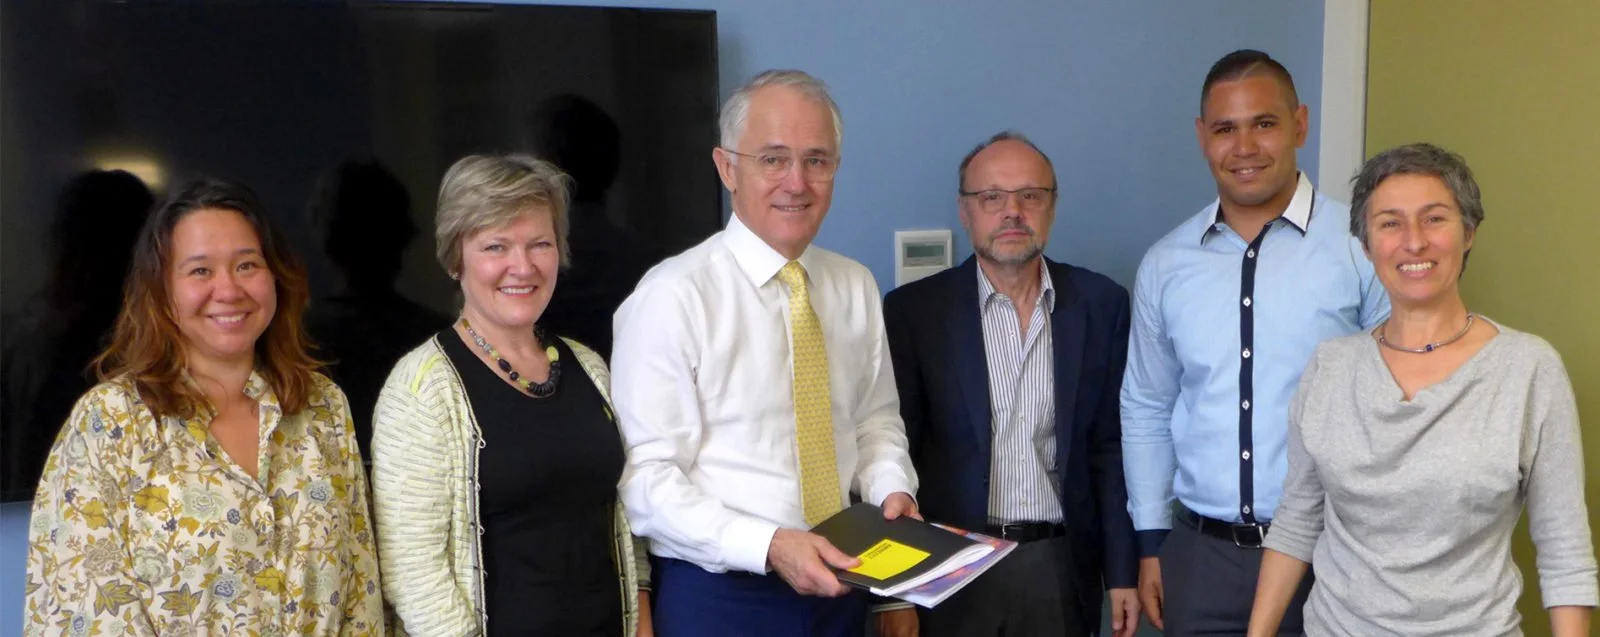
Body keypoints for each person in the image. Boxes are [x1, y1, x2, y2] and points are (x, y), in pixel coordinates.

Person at [610, 69, 919, 637]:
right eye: (773, 159)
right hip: (724, 597)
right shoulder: (672, 296)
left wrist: (893, 488)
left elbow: (875, 422)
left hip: (844, 583)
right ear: (728, 167)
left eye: (817, 160)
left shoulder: (855, 284)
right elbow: (647, 483)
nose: (796, 182)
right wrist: (771, 546)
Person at [1246, 143, 1597, 636]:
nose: (1414, 242)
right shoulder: (1330, 367)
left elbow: (1564, 550)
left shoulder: (1528, 369)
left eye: (1434, 219)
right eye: (1390, 223)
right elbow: (1298, 522)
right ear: (1367, 246)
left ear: (1468, 233)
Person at [22, 177, 385, 636]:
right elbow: (83, 612)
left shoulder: (323, 407)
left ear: (276, 276)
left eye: (247, 265)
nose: (229, 290)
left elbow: (362, 596)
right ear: (162, 292)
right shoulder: (108, 423)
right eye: (199, 271)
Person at [1120, 49, 1389, 635]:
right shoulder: (1167, 263)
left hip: (1333, 555)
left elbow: (1397, 402)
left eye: (1264, 124)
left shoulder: (1360, 247)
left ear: (1300, 125)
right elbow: (1146, 406)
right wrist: (1150, 543)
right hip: (1198, 559)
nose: (1244, 148)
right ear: (1201, 137)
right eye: (1225, 129)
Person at [370, 154, 652, 637]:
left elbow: (624, 518)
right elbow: (413, 573)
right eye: (496, 246)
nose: (522, 267)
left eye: (539, 244)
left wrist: (641, 623)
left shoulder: (588, 365)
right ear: (456, 258)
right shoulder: (419, 387)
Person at [881, 131, 1140, 637]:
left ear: (1052, 206)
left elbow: (1110, 450)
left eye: (1030, 196)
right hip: (951, 569)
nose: (1012, 211)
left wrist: (1122, 574)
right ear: (965, 211)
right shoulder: (914, 312)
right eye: (992, 197)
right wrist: (893, 595)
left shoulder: (1100, 304)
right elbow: (891, 452)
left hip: (1060, 567)